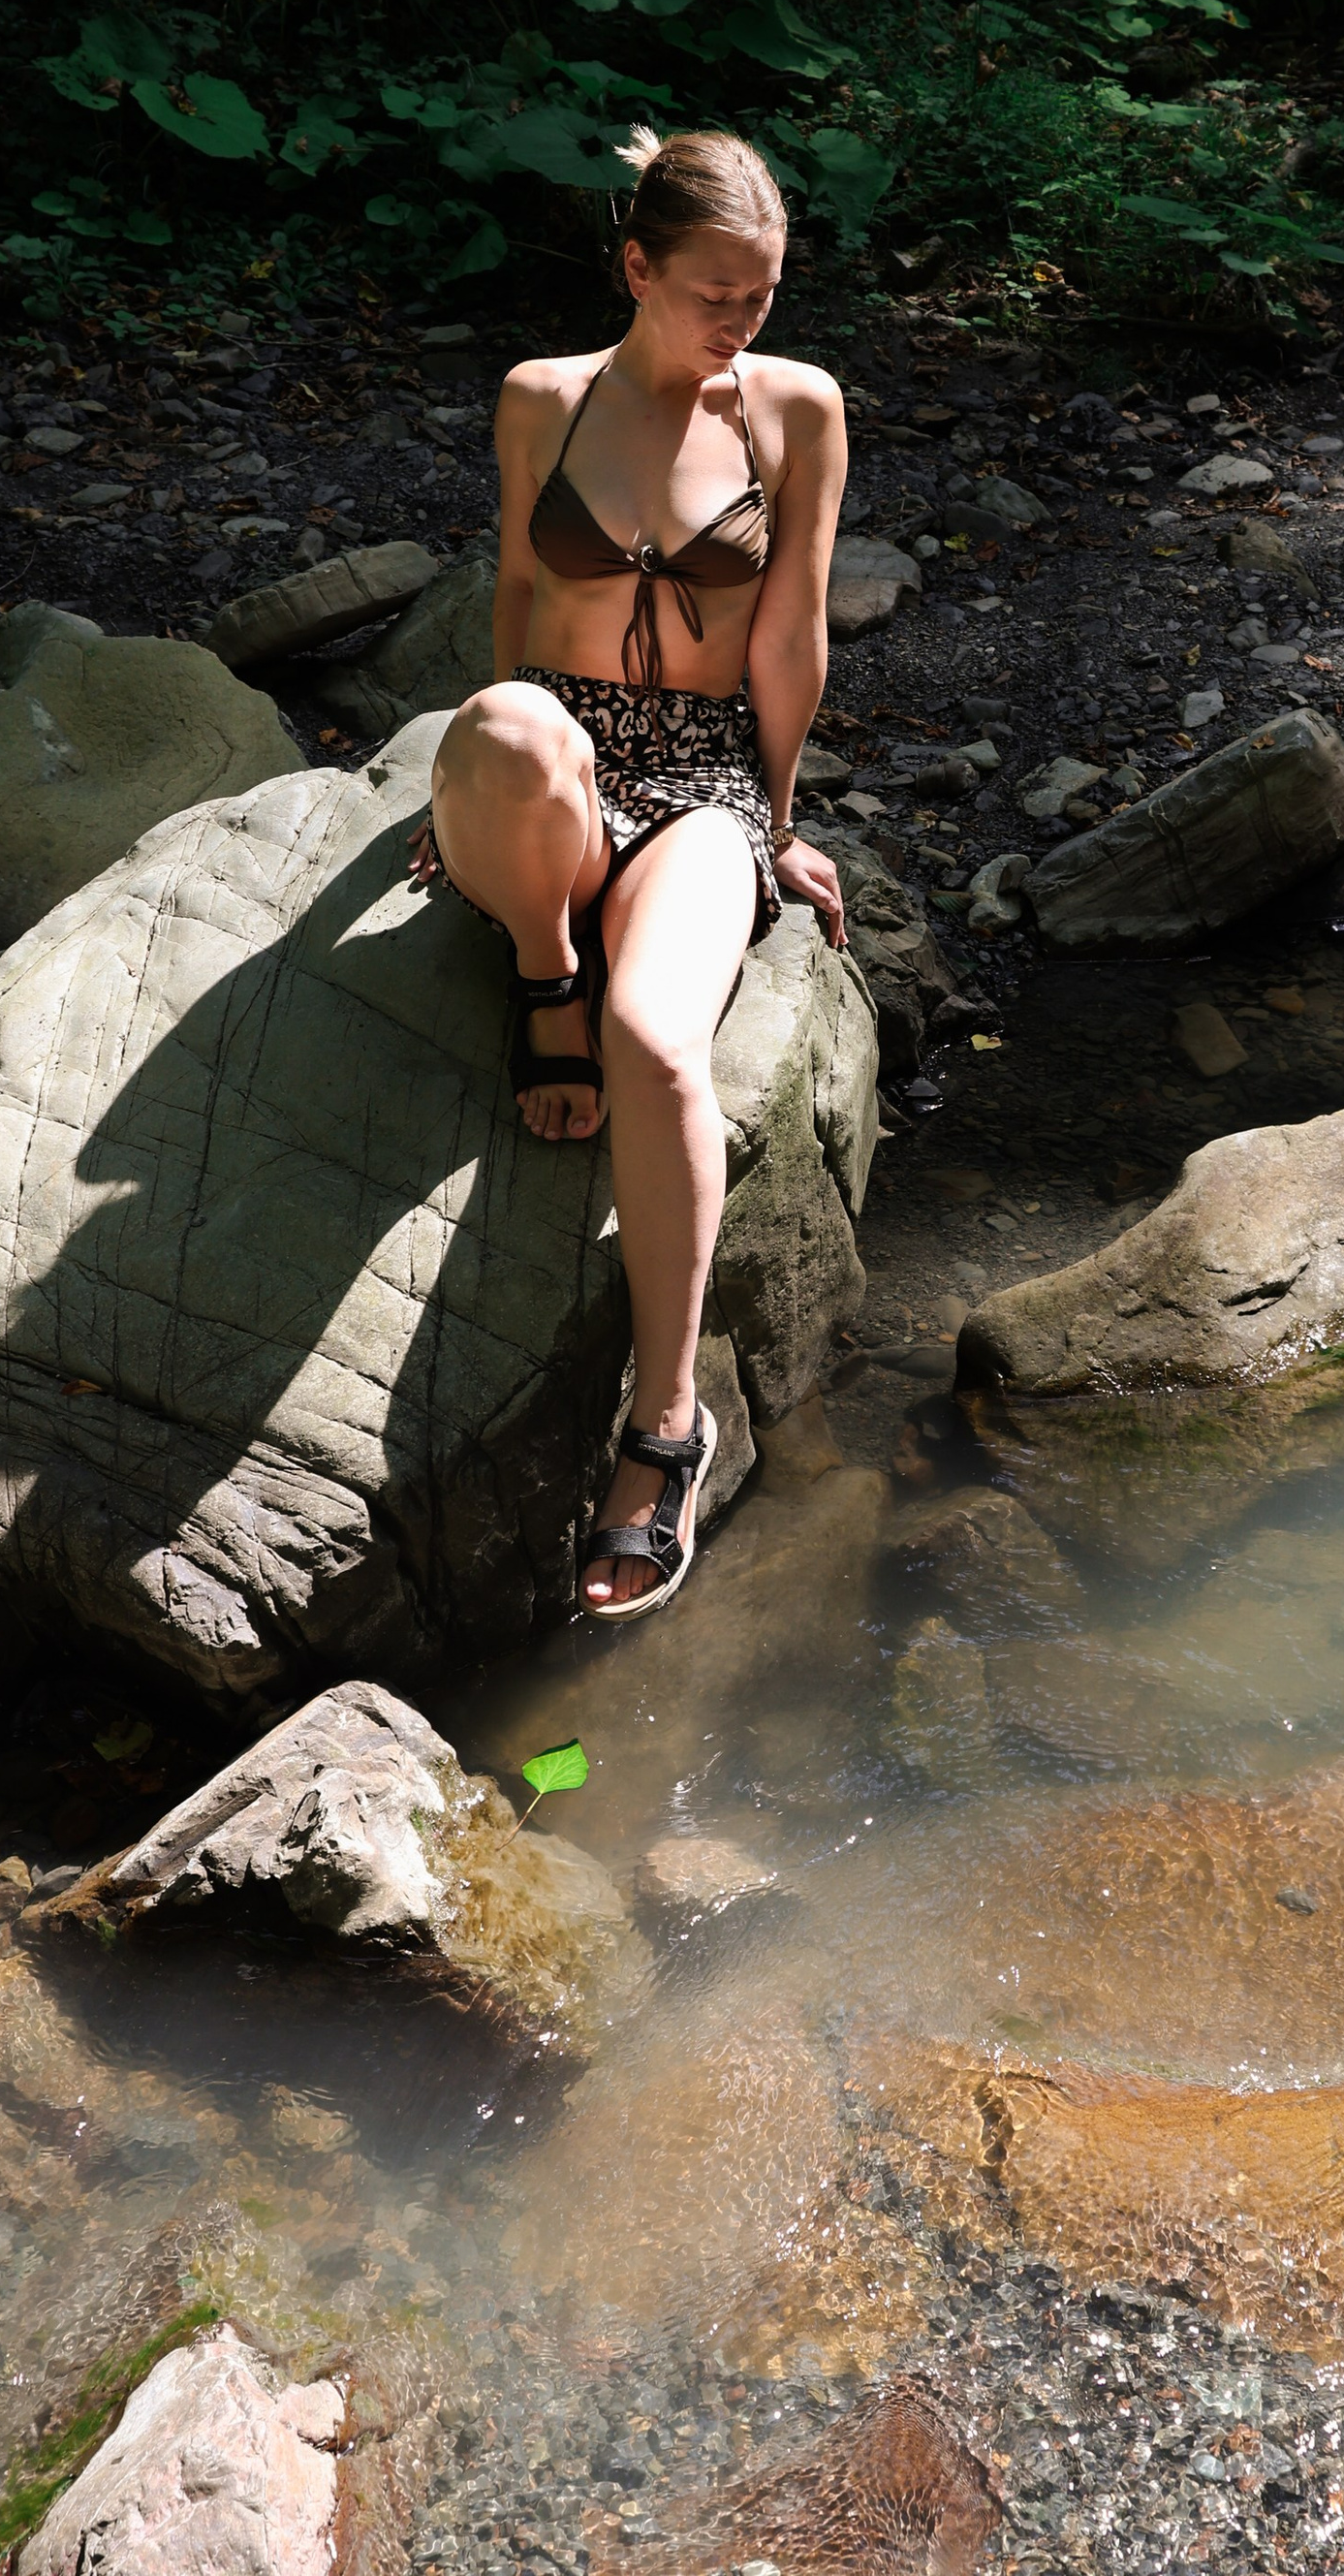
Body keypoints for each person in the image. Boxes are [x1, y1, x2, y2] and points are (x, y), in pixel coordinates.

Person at [413, 126, 848, 1621]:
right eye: (715, 293)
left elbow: (789, 633)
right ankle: (544, 964)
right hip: (564, 759)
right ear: (638, 269)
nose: (744, 321)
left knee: (657, 1041)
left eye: (765, 292)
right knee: (510, 732)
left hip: (706, 784)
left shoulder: (798, 410)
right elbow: (521, 595)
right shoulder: (544, 399)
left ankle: (664, 1426)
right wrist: (477, 786)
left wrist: (780, 820)